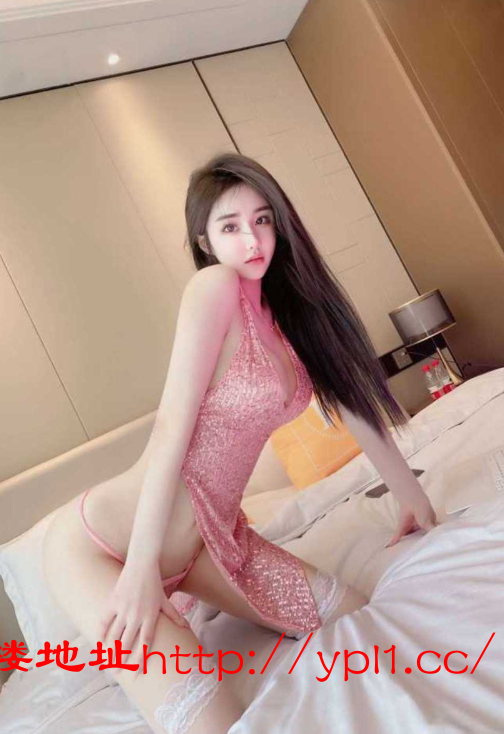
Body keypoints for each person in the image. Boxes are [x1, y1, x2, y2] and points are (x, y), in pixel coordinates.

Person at [43, 152, 438, 734]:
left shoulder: (288, 315)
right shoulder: (214, 287)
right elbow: (170, 428)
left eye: (262, 220)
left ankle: (193, 596)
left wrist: (412, 497)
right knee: (211, 724)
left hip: (213, 544)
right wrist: (141, 569)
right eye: (230, 226)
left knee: (350, 613)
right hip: (110, 548)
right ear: (204, 241)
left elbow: (352, 402)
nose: (252, 240)